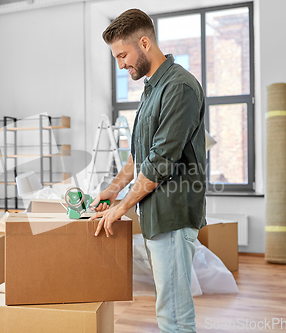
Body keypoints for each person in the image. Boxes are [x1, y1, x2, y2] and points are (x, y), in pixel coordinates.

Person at [89, 8, 207, 333]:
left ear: (144, 43)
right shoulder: (152, 89)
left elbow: (159, 162)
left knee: (174, 315)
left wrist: (122, 207)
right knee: (168, 308)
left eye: (122, 55)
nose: (121, 64)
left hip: (173, 216)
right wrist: (112, 191)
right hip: (157, 218)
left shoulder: (178, 87)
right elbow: (138, 156)